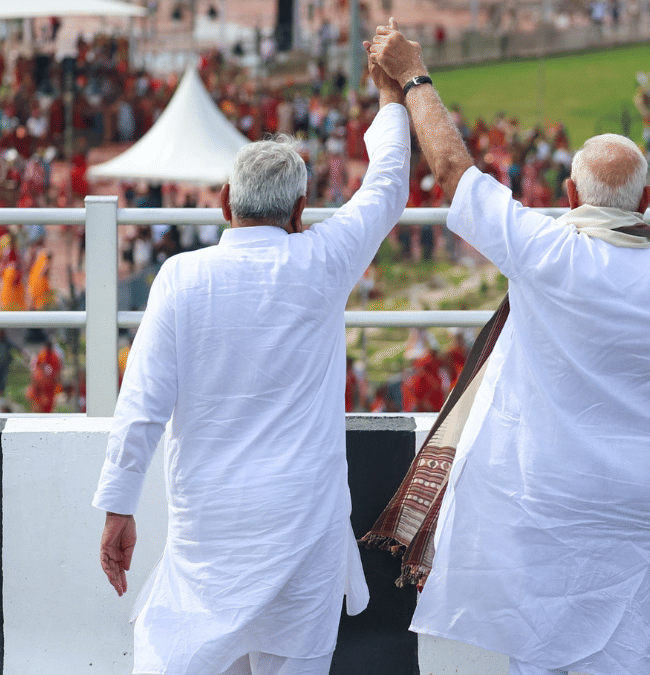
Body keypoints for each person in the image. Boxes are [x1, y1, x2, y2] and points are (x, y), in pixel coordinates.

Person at [367, 21, 650, 675]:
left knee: (540, 657)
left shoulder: (542, 249)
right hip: (636, 512)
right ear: (648, 203)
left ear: (572, 198)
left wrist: (413, 78)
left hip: (544, 502)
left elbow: (451, 171)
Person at [92, 57, 410, 675]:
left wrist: (118, 506)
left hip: (210, 539)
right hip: (301, 535)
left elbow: (141, 405)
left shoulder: (181, 278)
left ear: (222, 204)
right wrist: (390, 98)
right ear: (299, 213)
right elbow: (389, 182)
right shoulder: (321, 261)